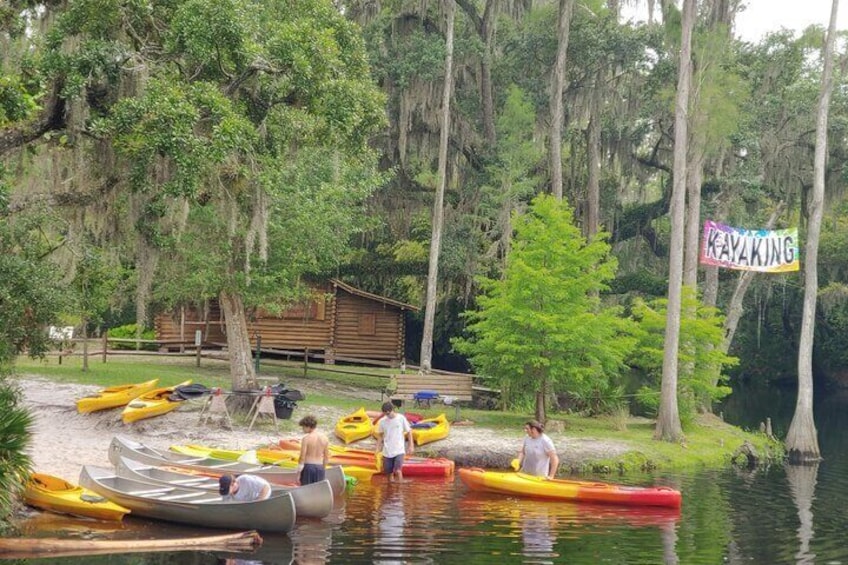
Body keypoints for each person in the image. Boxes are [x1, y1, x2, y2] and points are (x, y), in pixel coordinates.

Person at [375, 401, 414, 482]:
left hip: (399, 450)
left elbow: (409, 431)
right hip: (387, 450)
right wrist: (377, 449)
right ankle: (390, 491)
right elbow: (380, 436)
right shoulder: (382, 421)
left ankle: (400, 491)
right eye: (385, 414)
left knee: (398, 470)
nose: (387, 415)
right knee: (389, 473)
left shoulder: (401, 418)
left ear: (393, 410)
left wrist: (411, 446)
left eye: (389, 413)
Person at [297, 414, 330, 485]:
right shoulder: (325, 438)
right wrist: (323, 469)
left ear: (308, 426)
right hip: (320, 467)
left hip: (308, 467)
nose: (303, 429)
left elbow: (302, 457)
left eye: (303, 427)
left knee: (306, 489)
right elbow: (326, 457)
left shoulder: (306, 439)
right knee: (317, 490)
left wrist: (299, 472)